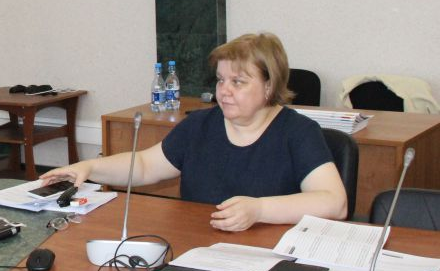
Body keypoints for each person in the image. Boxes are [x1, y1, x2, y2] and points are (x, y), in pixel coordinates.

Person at [41, 33, 347, 231]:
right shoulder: (200, 125)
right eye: (220, 80)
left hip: (271, 256)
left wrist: (260, 209)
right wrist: (89, 167)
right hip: (199, 246)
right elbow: (145, 166)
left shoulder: (298, 132)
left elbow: (335, 203)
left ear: (269, 86)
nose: (224, 91)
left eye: (238, 82)